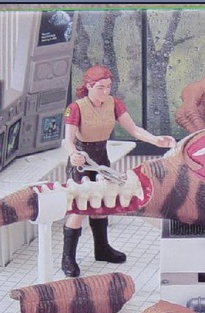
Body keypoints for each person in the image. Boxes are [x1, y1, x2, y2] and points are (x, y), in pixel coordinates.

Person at [61, 65, 175, 277]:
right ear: (89, 86)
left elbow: (134, 130)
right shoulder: (75, 108)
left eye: (108, 87)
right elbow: (67, 140)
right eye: (101, 87)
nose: (106, 91)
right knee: (78, 209)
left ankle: (102, 248)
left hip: (101, 159)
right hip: (82, 160)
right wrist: (73, 154)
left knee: (102, 202)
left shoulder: (113, 103)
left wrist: (155, 140)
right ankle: (68, 257)